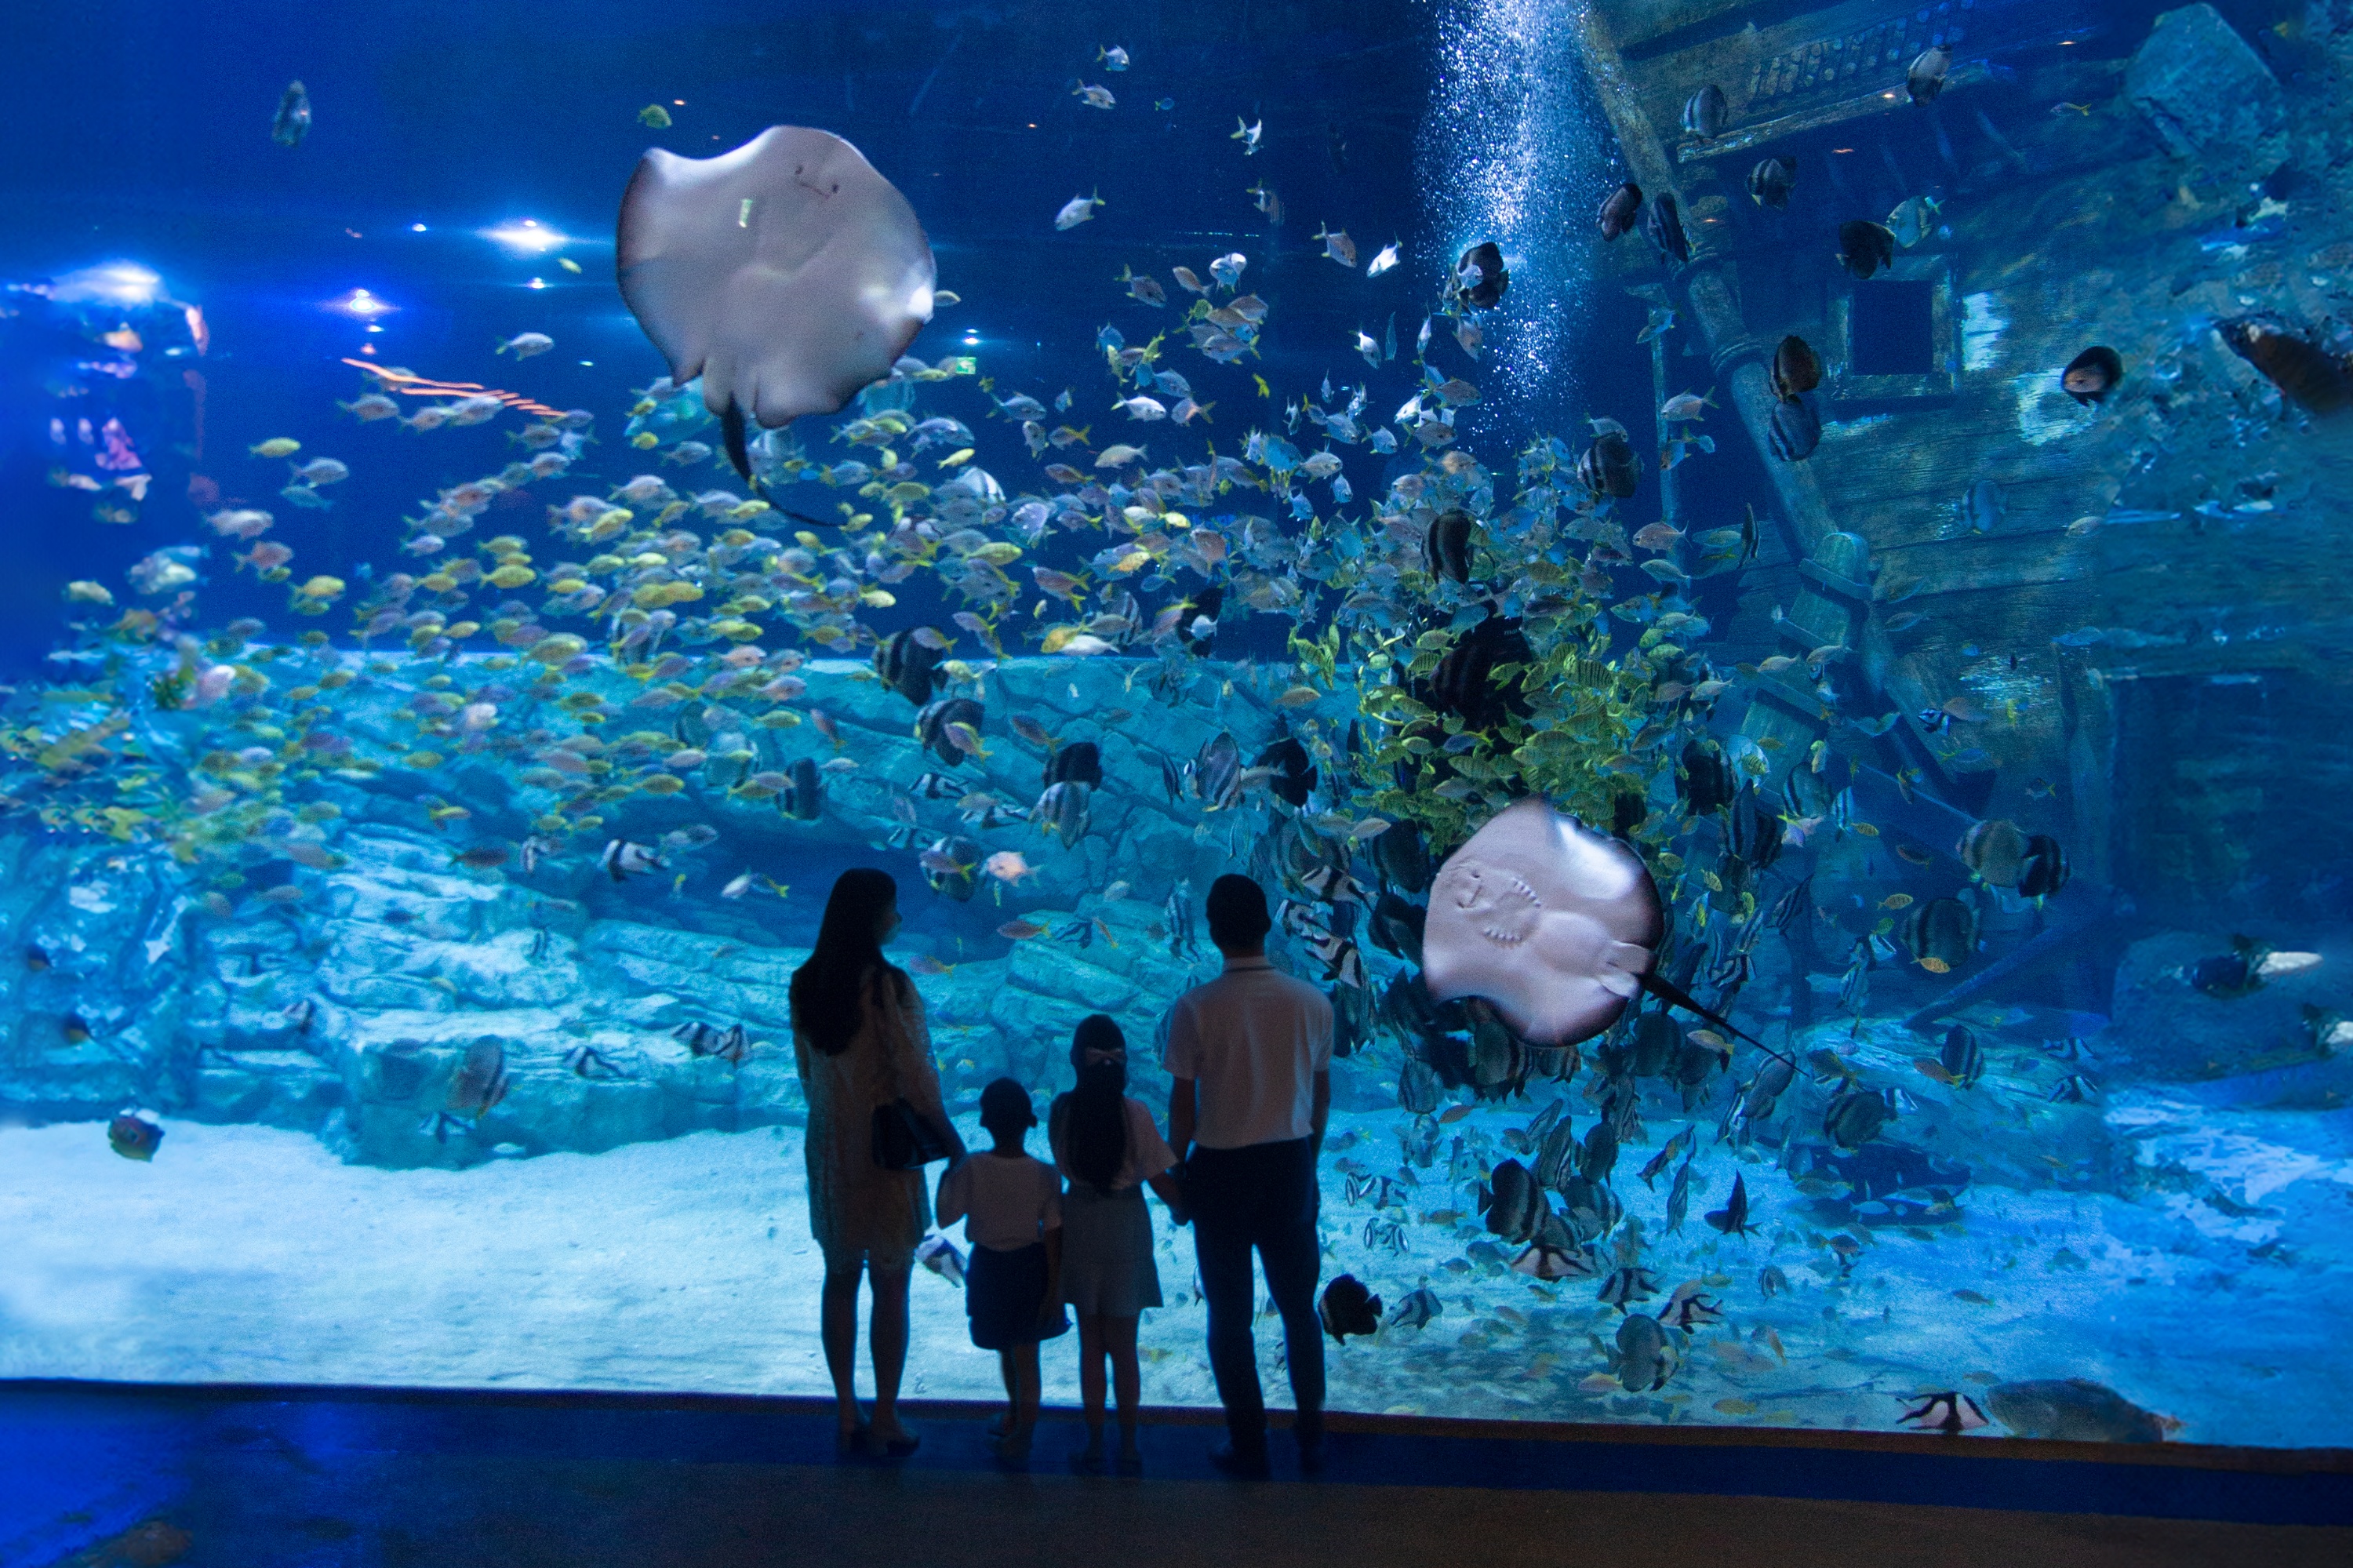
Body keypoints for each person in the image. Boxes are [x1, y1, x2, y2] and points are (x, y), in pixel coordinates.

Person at [1161, 873, 1335, 1478]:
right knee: (1299, 1306)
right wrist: (1308, 1160)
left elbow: (1182, 1110)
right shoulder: (1312, 1003)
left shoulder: (1194, 1008)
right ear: (1267, 926)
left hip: (1220, 1171)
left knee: (1229, 1315)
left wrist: (1175, 1176)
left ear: (1212, 931)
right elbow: (1320, 1096)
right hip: (1289, 1162)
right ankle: (1311, 1434)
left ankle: (1248, 1440)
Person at [791, 868, 965, 1460]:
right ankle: (886, 1412)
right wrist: (953, 1143)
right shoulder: (890, 987)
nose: (898, 916)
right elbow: (917, 1077)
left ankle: (846, 1408)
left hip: (829, 1145)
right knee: (891, 1281)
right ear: (871, 916)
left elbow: (807, 1075)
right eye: (891, 906)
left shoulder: (804, 983)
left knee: (839, 1276)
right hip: (886, 1151)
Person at [1047, 1013, 1185, 1475]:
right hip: (1126, 1225)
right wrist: (1187, 1208)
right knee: (1125, 1347)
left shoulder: (1062, 1111)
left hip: (1081, 1222)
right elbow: (1161, 1180)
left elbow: (1062, 1166)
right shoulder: (1137, 1113)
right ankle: (1128, 1446)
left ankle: (1093, 1443)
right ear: (1122, 1062)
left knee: (1090, 1343)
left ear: (1076, 1060)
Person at [937, 1077, 1068, 1465]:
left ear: (984, 1122)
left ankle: (1019, 1427)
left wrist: (949, 1169)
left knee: (1007, 1350)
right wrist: (1055, 1288)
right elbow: (1054, 1234)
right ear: (1029, 1122)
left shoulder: (972, 1168)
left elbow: (945, 1217)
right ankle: (1021, 1426)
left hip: (989, 1269)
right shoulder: (1047, 1174)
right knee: (1026, 1355)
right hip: (1031, 1269)